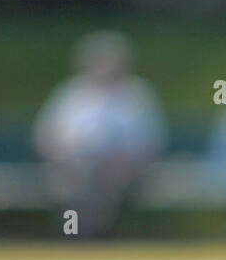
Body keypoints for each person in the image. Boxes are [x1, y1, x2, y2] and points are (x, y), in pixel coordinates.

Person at [33, 31, 166, 236]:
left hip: (123, 169)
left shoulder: (137, 94)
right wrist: (63, 161)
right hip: (74, 166)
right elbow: (47, 136)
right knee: (78, 180)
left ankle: (91, 235)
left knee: (102, 181)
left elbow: (149, 141)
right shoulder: (71, 92)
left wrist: (124, 163)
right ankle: (88, 234)